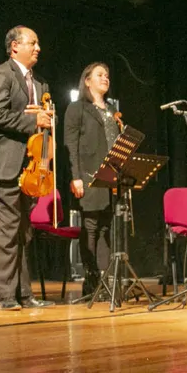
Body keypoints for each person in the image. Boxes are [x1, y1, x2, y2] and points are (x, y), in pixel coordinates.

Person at [0, 26, 56, 311]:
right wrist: (33, 121)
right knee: (9, 229)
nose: (38, 48)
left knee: (25, 232)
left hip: (32, 168)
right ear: (14, 46)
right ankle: (6, 296)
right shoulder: (0, 74)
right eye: (32, 43)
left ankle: (25, 294)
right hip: (6, 164)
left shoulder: (41, 84)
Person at [63, 62, 118, 296]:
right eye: (99, 75)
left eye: (107, 75)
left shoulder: (111, 111)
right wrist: (76, 177)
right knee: (91, 226)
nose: (105, 78)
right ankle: (91, 278)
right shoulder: (77, 108)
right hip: (88, 175)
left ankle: (105, 279)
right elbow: (70, 145)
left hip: (111, 178)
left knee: (106, 227)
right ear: (87, 81)